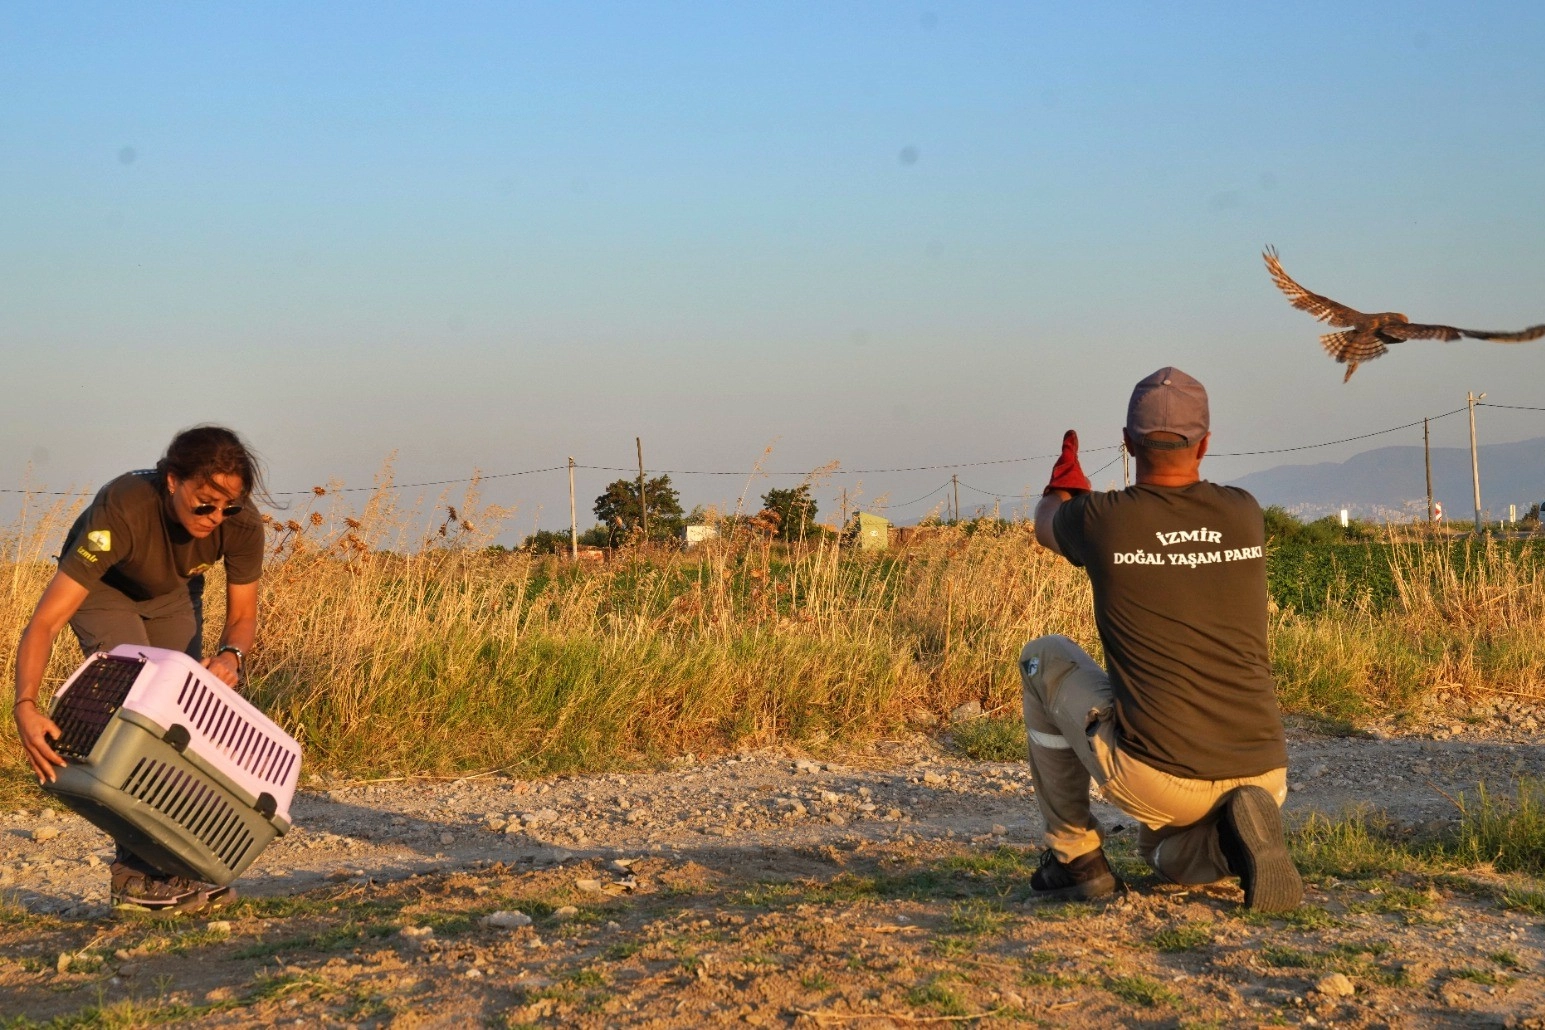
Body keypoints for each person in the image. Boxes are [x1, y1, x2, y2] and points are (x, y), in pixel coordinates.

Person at [1021, 367, 1301, 912]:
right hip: (1266, 772)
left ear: (1127, 443)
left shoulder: (1103, 519)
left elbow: (1045, 522)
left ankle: (1073, 857)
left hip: (1161, 778)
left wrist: (1063, 485)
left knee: (1042, 658)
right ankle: (1229, 840)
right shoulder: (1245, 512)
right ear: (1206, 444)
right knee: (1163, 856)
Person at [12, 425, 267, 914]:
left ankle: (181, 864)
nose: (216, 517)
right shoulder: (124, 508)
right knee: (132, 706)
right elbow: (45, 620)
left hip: (173, 594)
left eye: (227, 507)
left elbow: (241, 618)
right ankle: (133, 877)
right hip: (103, 590)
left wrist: (232, 656)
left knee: (180, 721)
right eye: (204, 503)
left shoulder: (242, 523)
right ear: (173, 481)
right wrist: (25, 705)